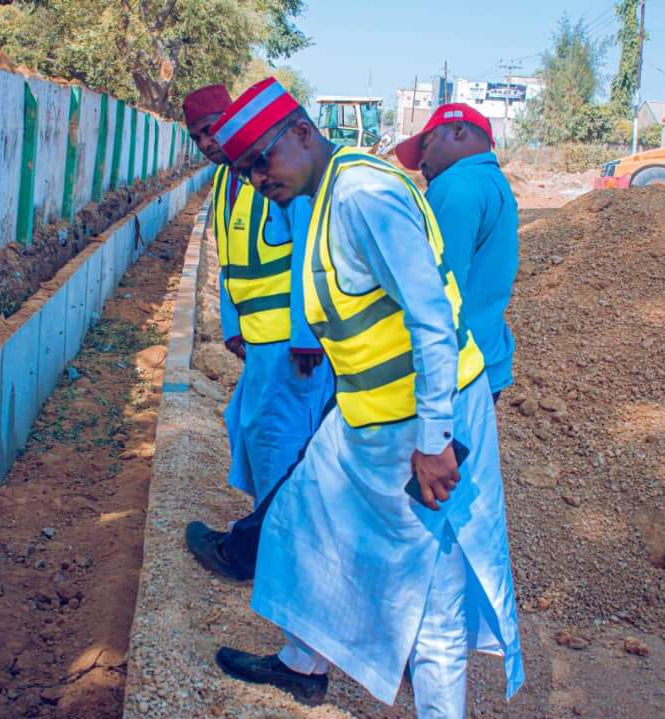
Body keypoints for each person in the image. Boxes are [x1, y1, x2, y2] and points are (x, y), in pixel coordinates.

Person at [208, 77, 524, 717]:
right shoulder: (330, 192)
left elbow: (433, 323)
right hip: (368, 419)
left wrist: (434, 442)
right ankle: (302, 663)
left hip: (426, 422)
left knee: (435, 599)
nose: (253, 181)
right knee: (298, 518)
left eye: (259, 162)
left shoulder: (362, 195)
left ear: (301, 133)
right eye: (242, 172)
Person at [181, 85, 334, 580]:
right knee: (248, 429)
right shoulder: (230, 182)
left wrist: (306, 333)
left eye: (212, 129)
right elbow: (231, 262)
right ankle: (267, 540)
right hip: (261, 341)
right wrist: (231, 325)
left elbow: (310, 256)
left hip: (292, 348)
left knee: (279, 442)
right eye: (199, 135)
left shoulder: (279, 177)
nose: (208, 142)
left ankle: (273, 556)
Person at [395, 104, 518, 401]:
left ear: (458, 130)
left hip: (455, 371)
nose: (421, 164)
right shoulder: (497, 185)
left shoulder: (455, 185)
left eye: (426, 146)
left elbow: (436, 290)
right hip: (487, 359)